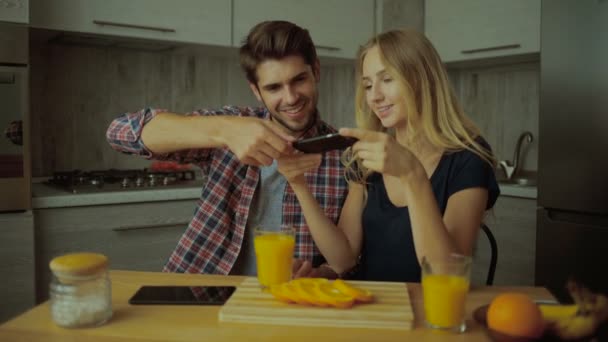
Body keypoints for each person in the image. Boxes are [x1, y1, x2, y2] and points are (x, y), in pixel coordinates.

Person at [106, 21, 348, 278]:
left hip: (289, 305)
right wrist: (224, 131)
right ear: (256, 91)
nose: (290, 98)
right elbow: (120, 132)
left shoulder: (344, 157)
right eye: (273, 87)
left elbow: (349, 262)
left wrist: (321, 274)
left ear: (316, 72)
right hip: (199, 294)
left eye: (299, 80)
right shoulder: (231, 124)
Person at [277, 29, 500, 282]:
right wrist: (299, 184)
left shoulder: (468, 159)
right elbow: (343, 258)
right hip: (370, 309)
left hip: (431, 314)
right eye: (368, 85)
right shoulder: (368, 156)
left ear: (422, 79)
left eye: (387, 79)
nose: (375, 96)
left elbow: (445, 275)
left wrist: (412, 174)